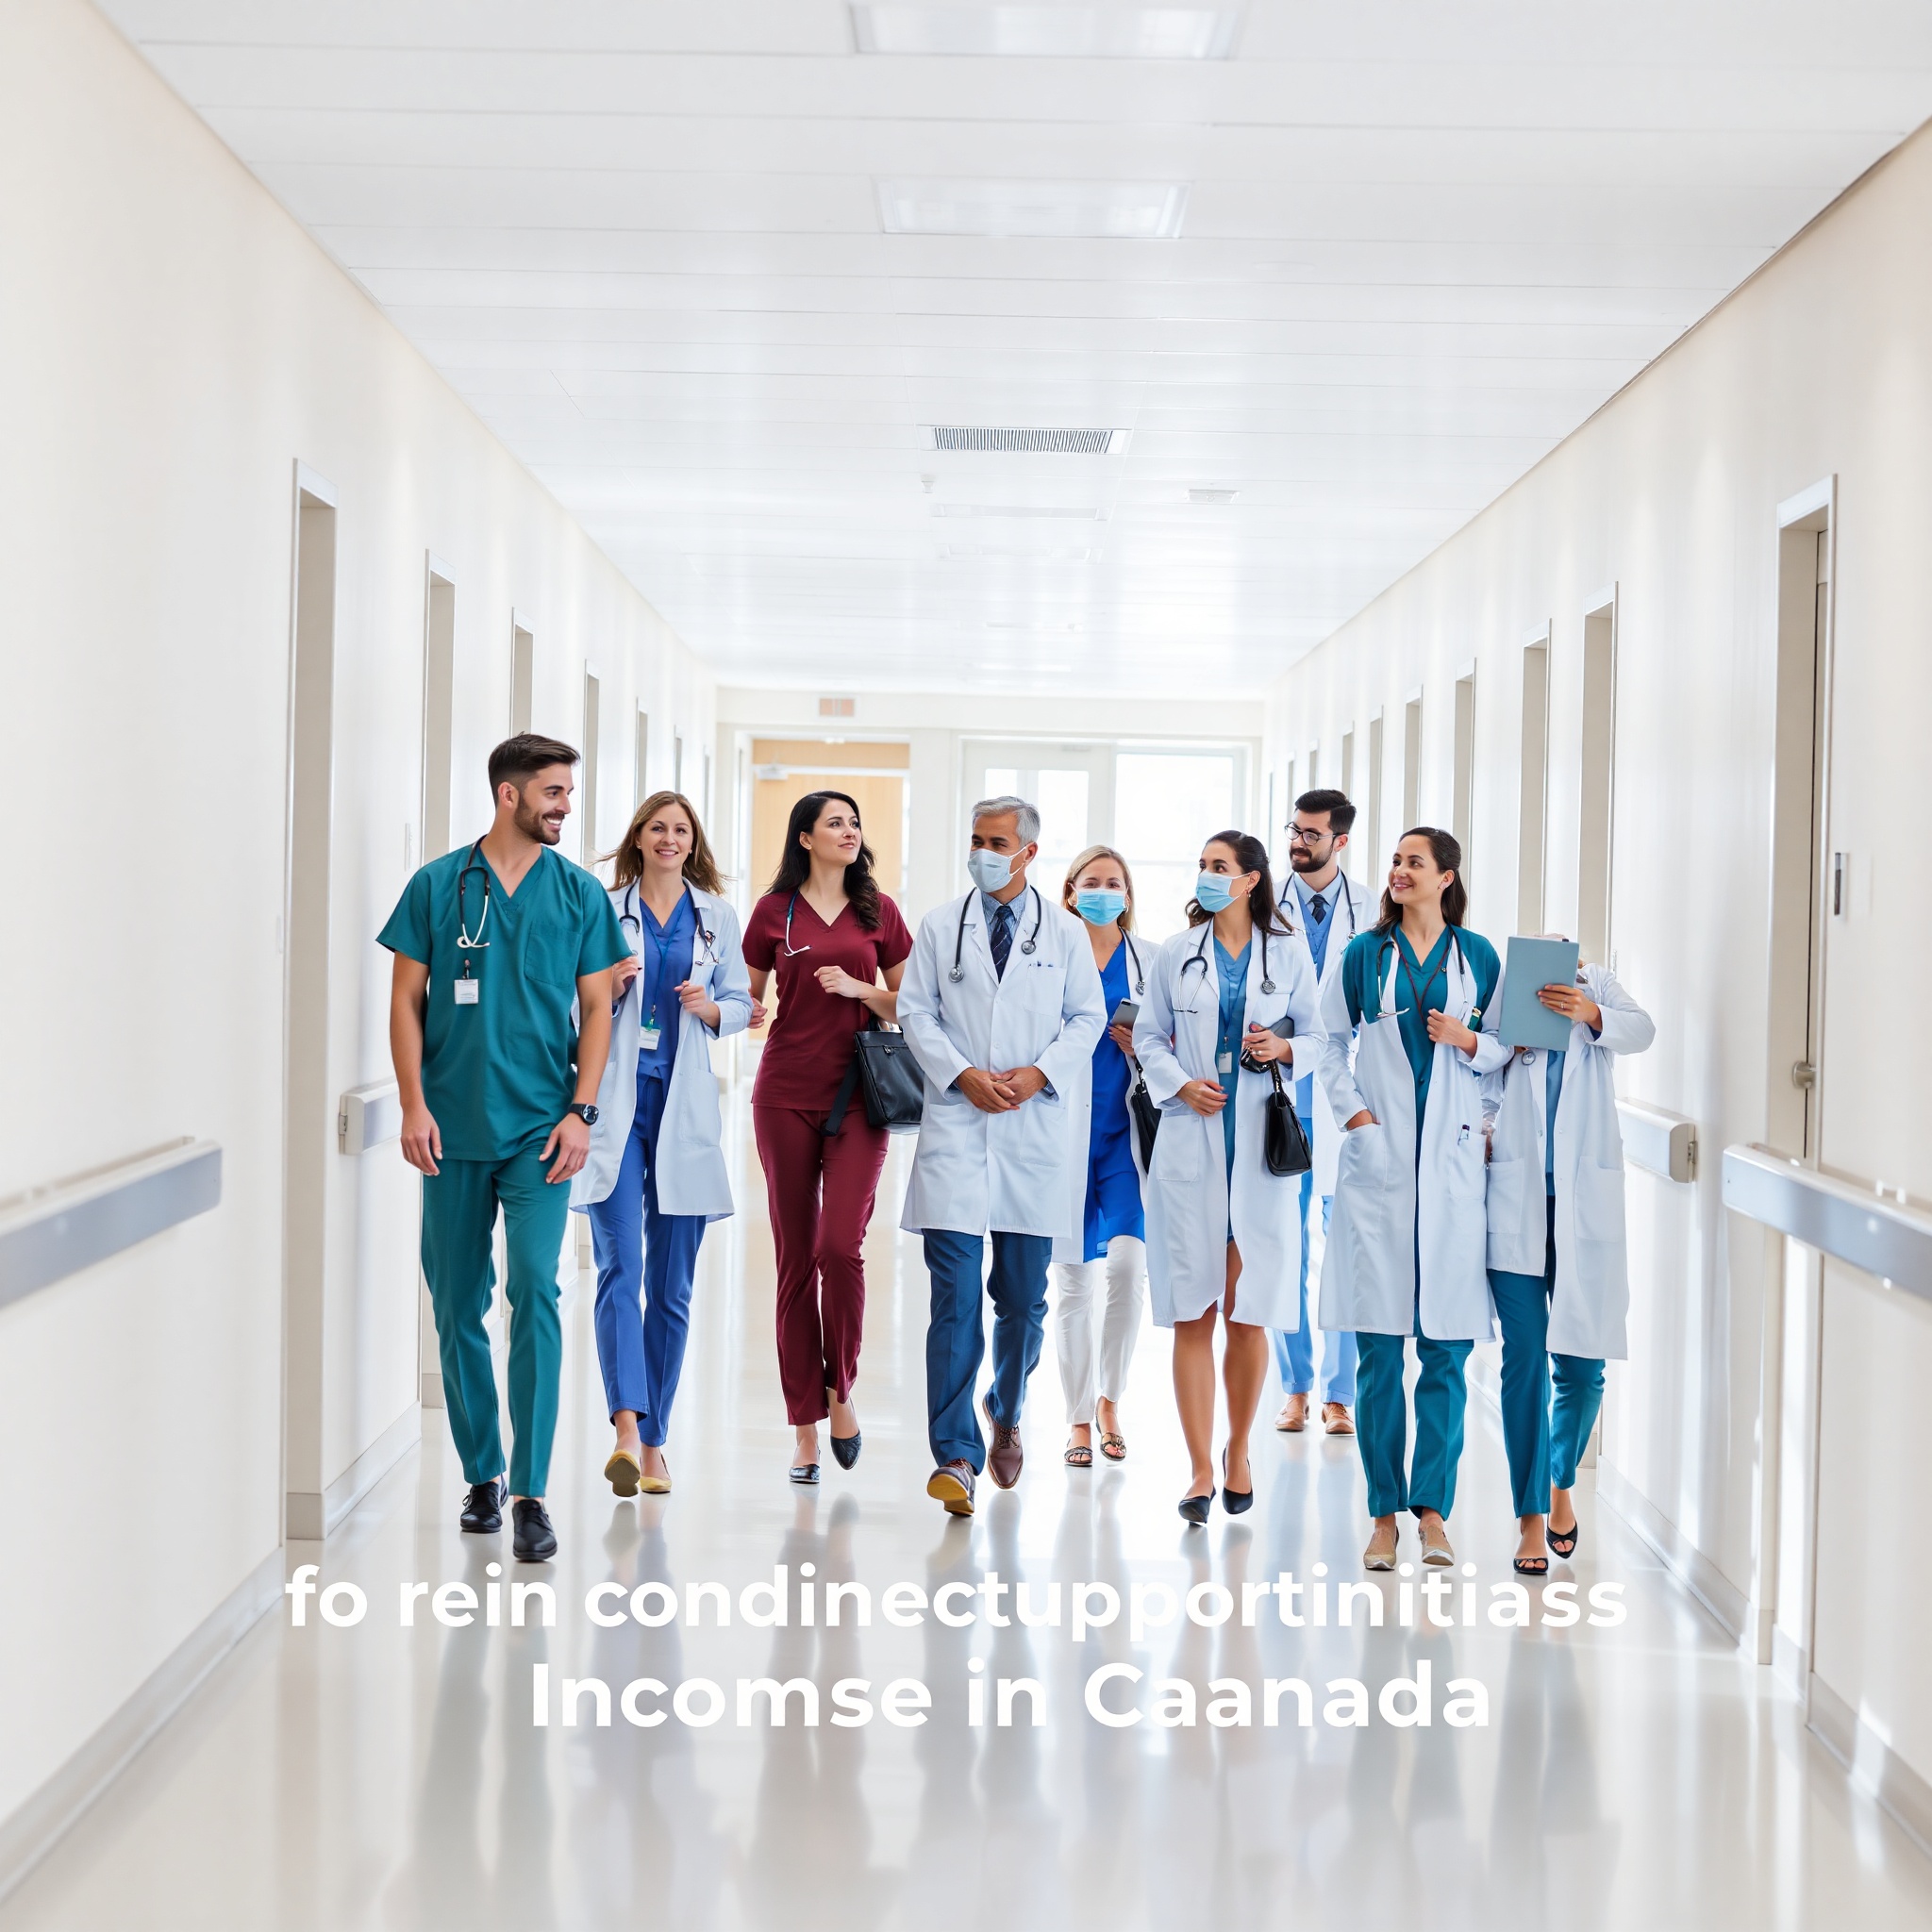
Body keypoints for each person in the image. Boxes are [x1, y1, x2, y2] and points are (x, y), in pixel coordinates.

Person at [381, 734, 629, 1563]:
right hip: (449, 1130)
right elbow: (406, 1002)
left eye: (567, 792)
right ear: (509, 795)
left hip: (539, 1131)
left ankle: (529, 1491)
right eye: (554, 792)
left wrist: (581, 1111)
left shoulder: (578, 894)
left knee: (535, 1289)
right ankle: (480, 1472)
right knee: (456, 1304)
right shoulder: (439, 885)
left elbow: (597, 1010)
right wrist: (413, 1104)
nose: (565, 805)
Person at [897, 796, 1107, 1516]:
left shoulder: (1068, 935)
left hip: (1030, 1128)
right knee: (953, 1299)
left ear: (1028, 853)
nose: (983, 853)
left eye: (997, 842)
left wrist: (1041, 1072)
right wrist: (959, 1073)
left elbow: (1089, 1016)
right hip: (959, 1126)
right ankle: (955, 1454)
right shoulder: (938, 926)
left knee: (1021, 1300)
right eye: (977, 840)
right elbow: (914, 1011)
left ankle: (1006, 1408)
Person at [1318, 826, 1502, 1571]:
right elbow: (1331, 1042)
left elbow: (1507, 1054)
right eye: (1395, 861)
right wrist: (1354, 1115)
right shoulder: (1364, 955)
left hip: (1454, 1170)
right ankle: (1383, 1515)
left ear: (1446, 877)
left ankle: (1433, 1513)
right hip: (1381, 1165)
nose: (1398, 871)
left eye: (1413, 863)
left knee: (1446, 1353)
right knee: (1377, 1353)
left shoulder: (1478, 957)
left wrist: (1468, 1041)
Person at [1135, 831, 1324, 1523]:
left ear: (1250, 880)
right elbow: (1150, 1036)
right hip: (1191, 1142)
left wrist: (1284, 1047)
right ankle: (1197, 1469)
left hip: (1261, 1149)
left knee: (1247, 1316)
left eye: (1220, 868)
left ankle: (1239, 1449)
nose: (1207, 876)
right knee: (1194, 1311)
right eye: (1203, 866)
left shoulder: (1289, 951)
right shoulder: (1175, 952)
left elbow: (1322, 1037)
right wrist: (1179, 1084)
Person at [571, 791, 752, 1499]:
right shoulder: (601, 909)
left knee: (672, 1290)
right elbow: (566, 999)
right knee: (621, 1270)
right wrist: (606, 991)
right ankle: (623, 1426)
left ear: (692, 842)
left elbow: (740, 1000)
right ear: (639, 838)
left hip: (684, 1115)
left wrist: (716, 1011)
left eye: (681, 830)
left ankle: (655, 1441)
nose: (669, 838)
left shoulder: (717, 916)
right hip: (615, 1110)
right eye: (658, 828)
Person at [743, 791, 914, 1484]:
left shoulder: (880, 911)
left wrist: (858, 989)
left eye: (854, 823)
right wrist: (707, 1003)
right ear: (806, 838)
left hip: (859, 1096)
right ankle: (806, 1430)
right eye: (835, 823)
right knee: (794, 1262)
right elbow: (747, 1003)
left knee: (839, 1248)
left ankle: (843, 1391)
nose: (849, 831)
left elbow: (913, 1003)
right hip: (783, 1094)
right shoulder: (771, 913)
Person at [1480, 944, 1656, 1573]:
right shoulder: (1505, 992)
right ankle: (1530, 1520)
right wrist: (1487, 1121)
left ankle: (1560, 1483)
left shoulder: (1599, 989)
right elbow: (1478, 1072)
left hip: (1582, 1209)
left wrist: (1588, 1011)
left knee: (1582, 1371)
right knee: (1523, 1361)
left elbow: (1643, 1031)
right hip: (1518, 1205)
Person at [1052, 846, 1151, 1469]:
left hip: (1125, 1136)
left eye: (1115, 883)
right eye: (1092, 882)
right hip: (1061, 1134)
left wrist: (1145, 1046)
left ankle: (1111, 1397)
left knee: (1125, 1270)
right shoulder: (1049, 957)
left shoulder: (1153, 961)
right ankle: (1079, 1419)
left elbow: (1176, 1042)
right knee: (1074, 1283)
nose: (1104, 891)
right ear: (1069, 892)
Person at [1271, 788, 1365, 1436]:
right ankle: (1296, 1385)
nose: (1298, 842)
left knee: (1350, 1251)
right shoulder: (1263, 908)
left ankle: (1340, 1392)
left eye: (1311, 834)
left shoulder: (1373, 913)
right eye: (1294, 830)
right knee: (1284, 1246)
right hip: (1277, 1095)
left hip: (1345, 1101)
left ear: (1340, 841)